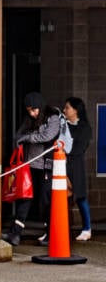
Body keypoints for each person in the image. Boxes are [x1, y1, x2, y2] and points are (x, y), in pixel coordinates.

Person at [5, 92, 61, 246]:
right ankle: (15, 233)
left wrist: (28, 137)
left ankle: (51, 233)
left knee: (45, 201)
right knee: (25, 198)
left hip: (45, 167)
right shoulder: (29, 120)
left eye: (34, 110)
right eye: (29, 110)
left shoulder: (53, 118)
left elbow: (47, 136)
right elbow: (18, 135)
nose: (32, 113)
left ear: (41, 107)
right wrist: (26, 137)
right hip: (29, 165)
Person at [64, 97, 93, 241]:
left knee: (81, 197)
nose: (65, 110)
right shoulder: (64, 125)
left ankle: (87, 228)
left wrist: (66, 149)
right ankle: (60, 228)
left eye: (67, 108)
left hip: (77, 165)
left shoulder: (85, 127)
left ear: (75, 110)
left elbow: (78, 147)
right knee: (62, 197)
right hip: (62, 164)